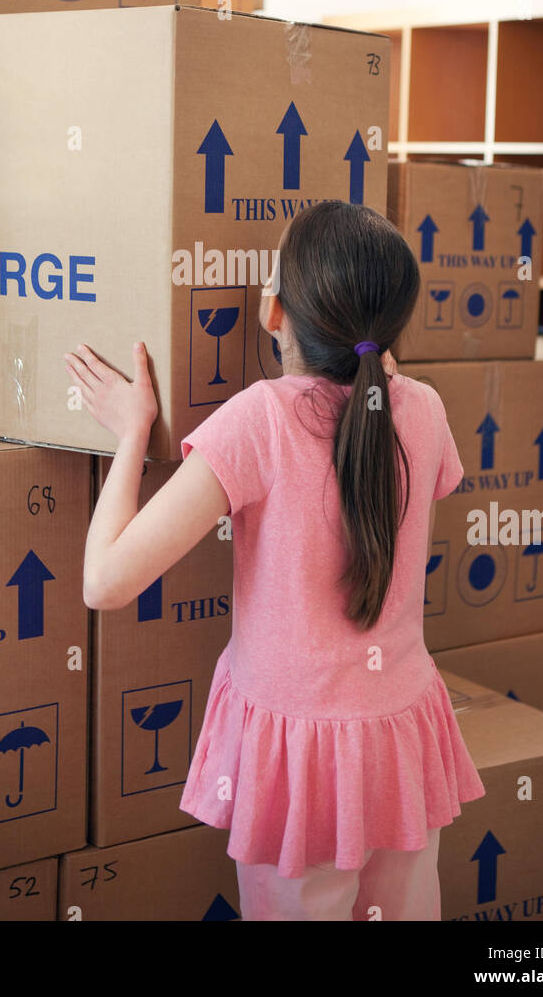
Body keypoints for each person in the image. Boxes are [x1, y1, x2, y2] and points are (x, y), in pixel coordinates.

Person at [64, 200, 486, 922]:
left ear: (273, 311)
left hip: (300, 757)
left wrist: (133, 431)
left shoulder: (259, 421)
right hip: (400, 735)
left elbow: (105, 582)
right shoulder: (424, 410)